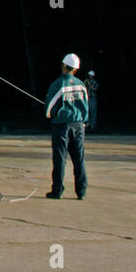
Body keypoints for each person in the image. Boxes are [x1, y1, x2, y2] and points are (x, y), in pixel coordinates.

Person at [45, 52, 89, 199]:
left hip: (62, 126)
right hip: (78, 125)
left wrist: (53, 114)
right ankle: (81, 192)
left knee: (60, 159)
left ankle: (57, 191)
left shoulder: (58, 84)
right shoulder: (81, 84)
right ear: (75, 69)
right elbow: (85, 106)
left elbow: (50, 108)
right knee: (79, 159)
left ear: (64, 66)